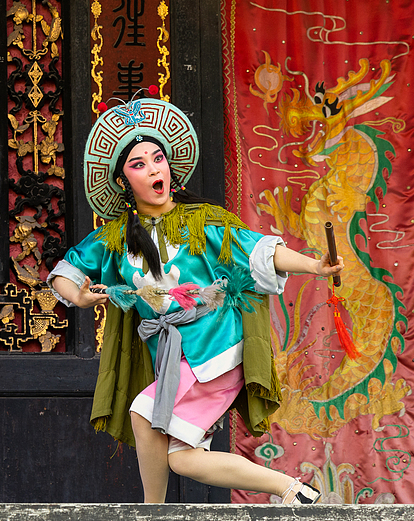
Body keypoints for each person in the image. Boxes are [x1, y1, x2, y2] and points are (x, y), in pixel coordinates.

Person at [48, 92, 343, 505]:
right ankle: (293, 490)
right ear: (122, 181)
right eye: (138, 164)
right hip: (174, 358)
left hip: (215, 346)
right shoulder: (113, 238)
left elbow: (258, 251)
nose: (154, 168)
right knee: (184, 459)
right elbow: (67, 271)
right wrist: (78, 298)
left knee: (143, 412)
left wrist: (314, 265)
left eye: (158, 159)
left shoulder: (203, 221)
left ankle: (152, 512)